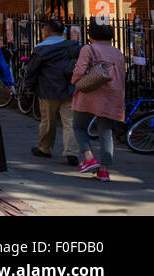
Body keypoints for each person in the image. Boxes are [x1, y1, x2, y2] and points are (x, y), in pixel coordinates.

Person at [70, 20, 127, 182]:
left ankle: (89, 157)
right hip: (111, 94)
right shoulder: (117, 52)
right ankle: (104, 170)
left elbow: (79, 70)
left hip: (90, 92)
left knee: (79, 126)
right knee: (106, 131)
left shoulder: (88, 49)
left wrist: (74, 82)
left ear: (91, 34)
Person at [22, 17, 80, 164]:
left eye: (43, 29)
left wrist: (30, 86)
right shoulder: (72, 46)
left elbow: (32, 70)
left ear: (47, 31)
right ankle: (72, 152)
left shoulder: (41, 48)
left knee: (48, 121)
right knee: (70, 122)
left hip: (48, 89)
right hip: (69, 88)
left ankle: (44, 148)